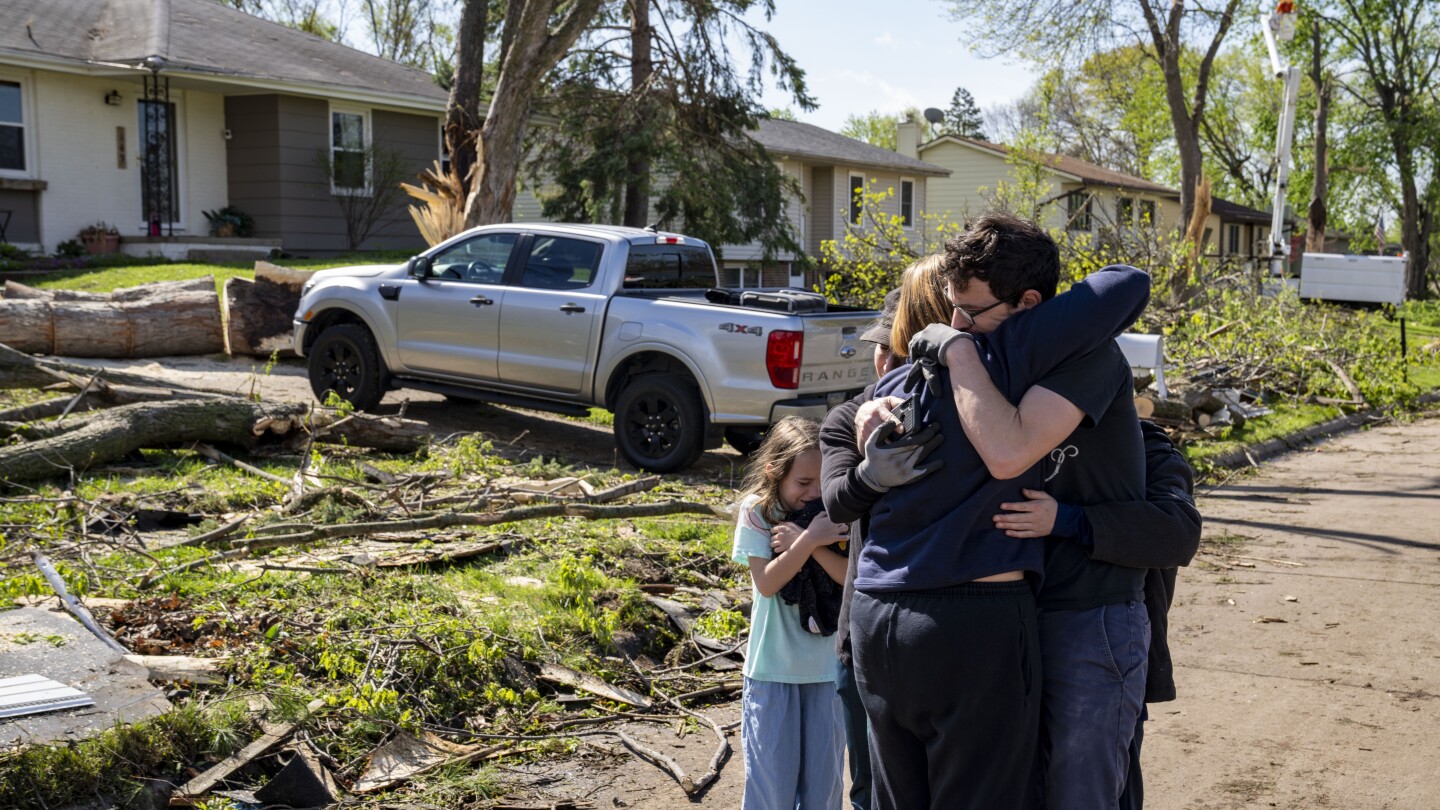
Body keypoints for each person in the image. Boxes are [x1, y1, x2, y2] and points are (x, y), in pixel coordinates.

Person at [840, 215, 1152, 809]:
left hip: (1086, 609)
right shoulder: (948, 363)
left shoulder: (1059, 353)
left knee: (1077, 795)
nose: (956, 322)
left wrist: (959, 353)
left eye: (972, 311)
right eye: (951, 310)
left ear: (1030, 302)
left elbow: (1127, 282)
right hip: (997, 611)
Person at [991, 420, 1201, 810]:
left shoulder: (1143, 443)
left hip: (1102, 650)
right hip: (1011, 647)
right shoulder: (1008, 438)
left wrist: (1068, 520)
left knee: (1103, 792)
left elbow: (1178, 531)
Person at [816, 258, 952, 810]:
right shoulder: (847, 416)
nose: (891, 362)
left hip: (957, 618)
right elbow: (836, 500)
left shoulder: (962, 401)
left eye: (901, 353)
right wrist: (871, 476)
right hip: (866, 628)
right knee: (872, 790)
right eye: (887, 349)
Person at [732, 415, 851, 810]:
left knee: (823, 793)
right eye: (803, 483)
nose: (813, 492)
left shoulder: (833, 513)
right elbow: (767, 582)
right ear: (773, 471)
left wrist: (812, 541)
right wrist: (812, 540)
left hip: (823, 673)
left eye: (821, 481)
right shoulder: (756, 512)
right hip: (771, 674)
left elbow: (848, 579)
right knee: (773, 793)